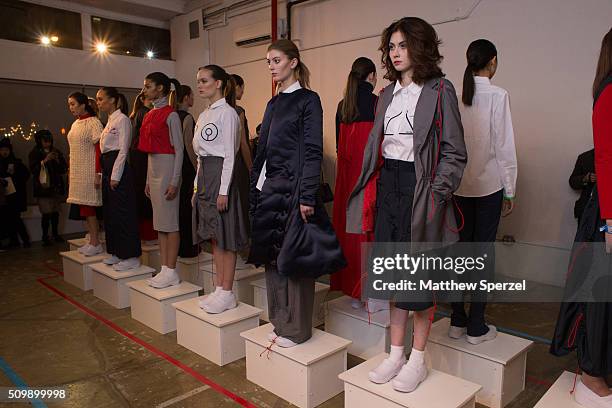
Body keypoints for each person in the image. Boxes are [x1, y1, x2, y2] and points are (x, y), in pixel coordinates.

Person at [346, 17, 466, 392]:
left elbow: (455, 150)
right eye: (392, 47)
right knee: (394, 277)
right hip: (390, 188)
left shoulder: (440, 89)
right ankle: (395, 353)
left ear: (421, 47)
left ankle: (417, 359)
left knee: (419, 280)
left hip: (422, 189)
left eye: (403, 46)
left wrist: (436, 192)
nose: (396, 54)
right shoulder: (386, 94)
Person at [249, 39, 345, 347]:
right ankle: (279, 322)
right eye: (268, 62)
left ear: (293, 62)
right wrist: (256, 187)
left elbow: (313, 149)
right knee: (272, 259)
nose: (271, 67)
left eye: (276, 60)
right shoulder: (273, 103)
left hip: (294, 191)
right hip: (270, 190)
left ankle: (297, 329)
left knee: (294, 261)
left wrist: (306, 195)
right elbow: (263, 150)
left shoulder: (308, 99)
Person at [551, 28, 612, 408]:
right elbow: (605, 159)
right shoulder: (609, 91)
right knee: (597, 297)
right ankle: (591, 375)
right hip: (605, 215)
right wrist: (610, 220)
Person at [450, 39, 518, 345]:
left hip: (459, 186)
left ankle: (456, 319)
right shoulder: (498, 95)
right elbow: (505, 146)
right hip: (489, 187)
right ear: (491, 62)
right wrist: (511, 190)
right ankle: (476, 325)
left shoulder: (456, 94)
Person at [193, 65, 248, 314]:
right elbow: (199, 157)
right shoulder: (204, 114)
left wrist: (224, 190)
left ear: (218, 83)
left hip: (221, 177)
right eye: (198, 81)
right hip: (206, 175)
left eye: (204, 81)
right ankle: (218, 288)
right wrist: (196, 186)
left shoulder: (228, 113)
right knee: (215, 235)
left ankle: (227, 290)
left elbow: (229, 154)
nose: (200, 85)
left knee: (226, 234)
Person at [330, 57, 377, 307]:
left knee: (348, 232)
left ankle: (352, 290)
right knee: (368, 233)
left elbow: (339, 147)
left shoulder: (342, 106)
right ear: (371, 76)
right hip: (369, 178)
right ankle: (369, 292)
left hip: (347, 180)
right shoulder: (378, 103)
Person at [138, 72, 184, 288]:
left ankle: (171, 269)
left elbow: (180, 150)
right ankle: (165, 268)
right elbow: (149, 152)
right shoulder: (148, 115)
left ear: (160, 88)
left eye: (148, 86)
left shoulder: (171, 115)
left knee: (170, 222)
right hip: (154, 170)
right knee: (160, 224)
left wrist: (175, 180)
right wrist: (148, 180)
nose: (144, 90)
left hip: (168, 169)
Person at [96, 87, 142, 271]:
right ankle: (116, 251)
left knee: (123, 212)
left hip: (118, 167)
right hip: (107, 165)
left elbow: (123, 149)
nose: (98, 103)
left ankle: (131, 255)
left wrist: (116, 175)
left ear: (113, 100)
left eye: (101, 99)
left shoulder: (123, 120)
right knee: (111, 212)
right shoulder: (108, 121)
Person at [66, 91, 104, 256]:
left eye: (73, 104)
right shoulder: (75, 124)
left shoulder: (94, 123)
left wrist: (98, 172)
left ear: (83, 104)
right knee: (83, 208)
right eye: (69, 105)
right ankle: (91, 240)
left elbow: (99, 149)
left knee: (90, 208)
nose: (71, 108)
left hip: (89, 172)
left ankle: (96, 242)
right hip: (77, 173)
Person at [28, 129, 68, 246]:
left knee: (55, 213)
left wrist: (57, 160)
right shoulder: (35, 153)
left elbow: (63, 169)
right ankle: (45, 236)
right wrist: (44, 161)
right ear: (39, 141)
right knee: (46, 213)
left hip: (55, 187)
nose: (48, 144)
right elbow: (34, 170)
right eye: (45, 141)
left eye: (49, 141)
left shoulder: (56, 152)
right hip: (44, 188)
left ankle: (55, 234)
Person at [129, 92, 157, 243]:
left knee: (141, 195)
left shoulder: (136, 114)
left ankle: (144, 233)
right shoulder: (146, 113)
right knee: (146, 196)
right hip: (143, 157)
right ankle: (149, 233)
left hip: (136, 157)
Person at [176, 85, 199, 258]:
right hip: (186, 167)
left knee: (177, 210)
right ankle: (189, 247)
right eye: (192, 95)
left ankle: (178, 247)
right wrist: (198, 167)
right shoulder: (187, 118)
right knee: (187, 208)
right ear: (186, 98)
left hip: (173, 167)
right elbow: (189, 146)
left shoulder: (171, 116)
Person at [231, 73, 253, 231]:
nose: (243, 92)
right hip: (238, 163)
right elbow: (243, 143)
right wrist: (251, 168)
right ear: (236, 87)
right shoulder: (238, 111)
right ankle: (242, 241)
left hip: (222, 163)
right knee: (242, 201)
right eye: (242, 88)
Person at [0, 137, 31, 248]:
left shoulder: (16, 162)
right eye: (2, 150)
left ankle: (25, 240)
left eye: (6, 150)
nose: (4, 152)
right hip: (3, 197)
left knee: (16, 219)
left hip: (15, 196)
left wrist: (14, 175)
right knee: (8, 219)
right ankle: (14, 241)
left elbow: (26, 175)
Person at [569, 148, 596, 223]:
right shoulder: (584, 158)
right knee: (585, 234)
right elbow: (572, 182)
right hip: (587, 209)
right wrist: (585, 178)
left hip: (608, 212)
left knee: (607, 233)